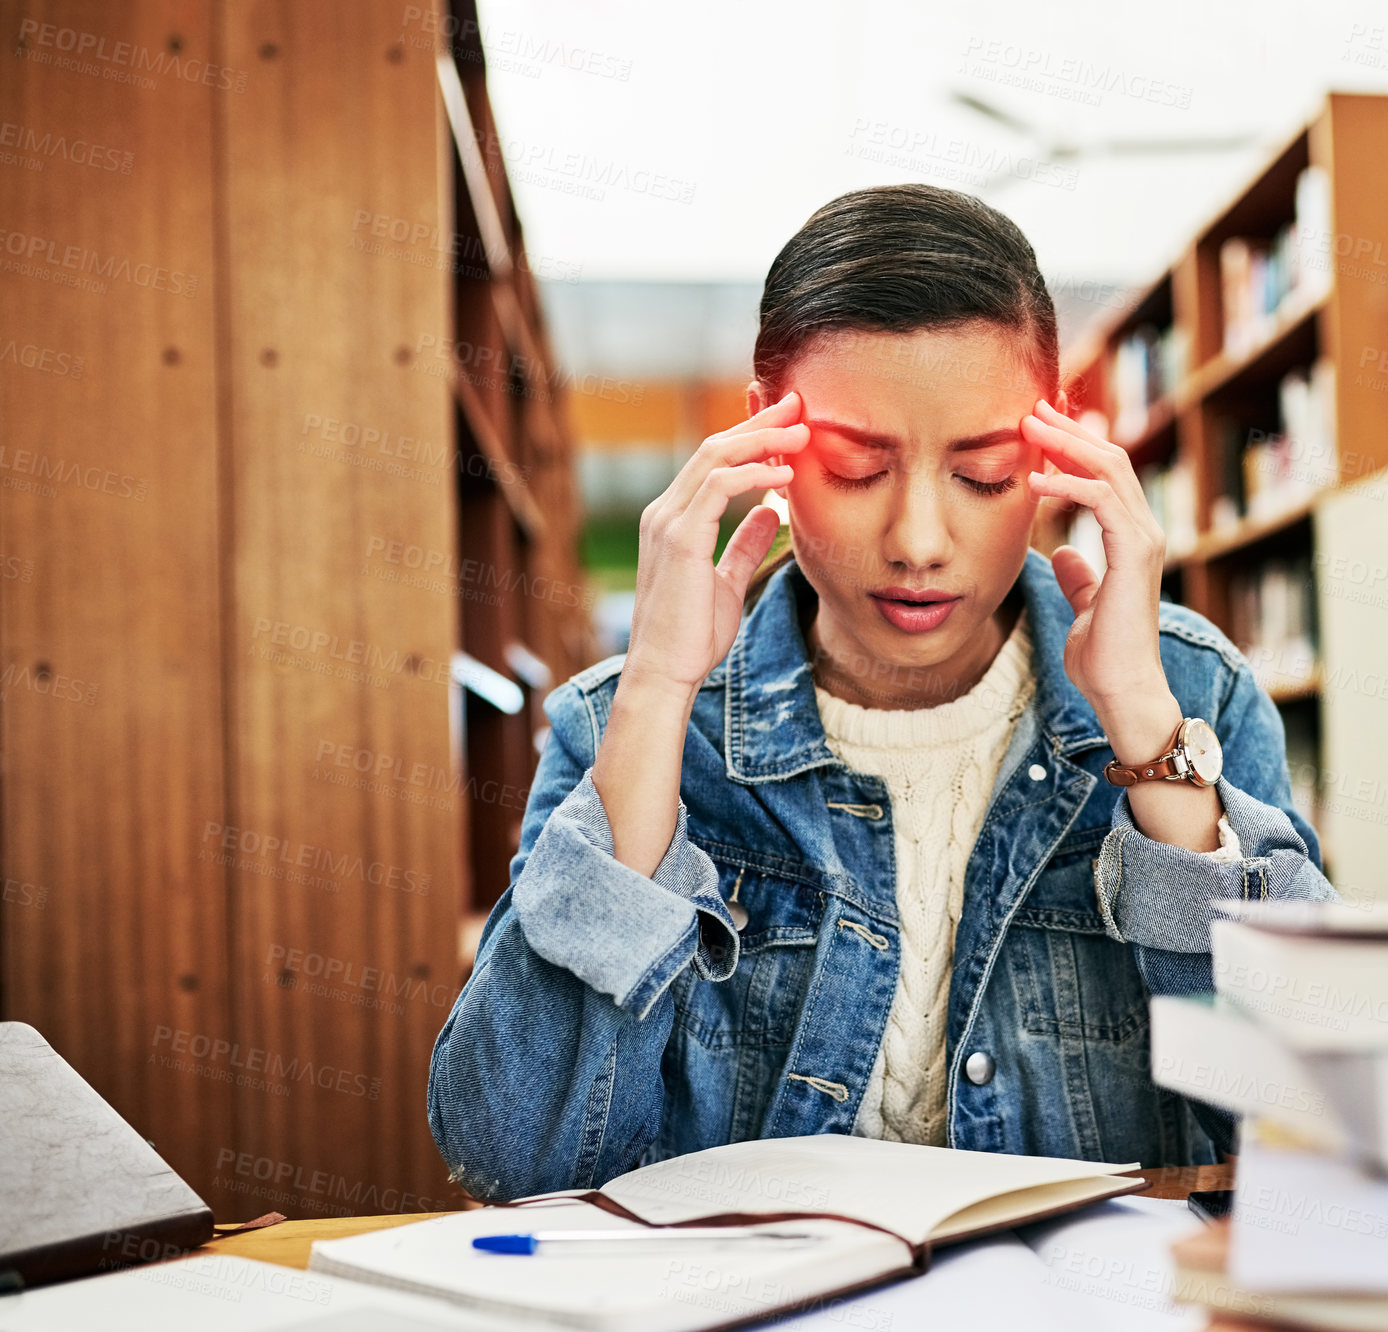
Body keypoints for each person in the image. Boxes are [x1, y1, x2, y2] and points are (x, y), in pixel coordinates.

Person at [428, 183, 1338, 1202]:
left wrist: (1141, 723)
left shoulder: (1190, 692)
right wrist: (654, 694)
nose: (916, 541)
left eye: (984, 474)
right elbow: (509, 1156)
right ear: (763, 439)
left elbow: (1321, 1128)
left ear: (1051, 455)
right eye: (857, 467)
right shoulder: (626, 718)